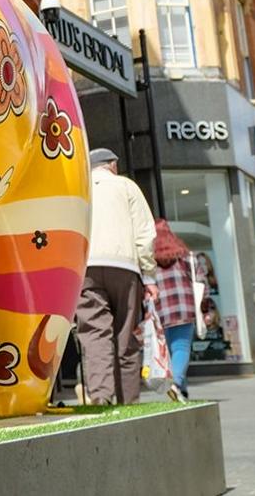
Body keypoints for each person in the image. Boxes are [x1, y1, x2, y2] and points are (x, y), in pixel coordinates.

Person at [75, 148, 157, 405]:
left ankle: (100, 398)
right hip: (125, 266)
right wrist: (150, 276)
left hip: (86, 266)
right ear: (112, 165)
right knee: (126, 334)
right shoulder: (127, 187)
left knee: (94, 333)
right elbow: (144, 235)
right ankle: (128, 401)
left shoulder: (78, 189)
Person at [152, 217, 198, 400]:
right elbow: (198, 276)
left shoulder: (149, 258)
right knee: (181, 347)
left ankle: (181, 392)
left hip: (161, 309)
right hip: (184, 307)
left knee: (171, 352)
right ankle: (177, 384)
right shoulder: (184, 255)